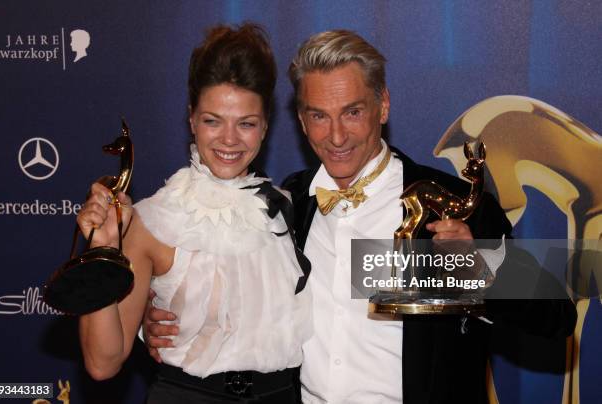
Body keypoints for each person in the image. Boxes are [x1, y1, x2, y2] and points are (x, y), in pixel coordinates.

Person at [144, 29, 577, 403]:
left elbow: (557, 317)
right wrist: (157, 314)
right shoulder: (286, 204)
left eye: (352, 112)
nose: (336, 136)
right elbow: (230, 294)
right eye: (319, 116)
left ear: (382, 106)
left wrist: (480, 270)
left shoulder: (450, 201)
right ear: (300, 120)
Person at [76, 23, 311, 403]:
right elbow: (103, 363)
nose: (229, 140)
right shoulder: (153, 219)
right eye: (212, 120)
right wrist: (102, 251)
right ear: (191, 119)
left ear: (266, 126)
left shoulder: (287, 208)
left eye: (246, 124)